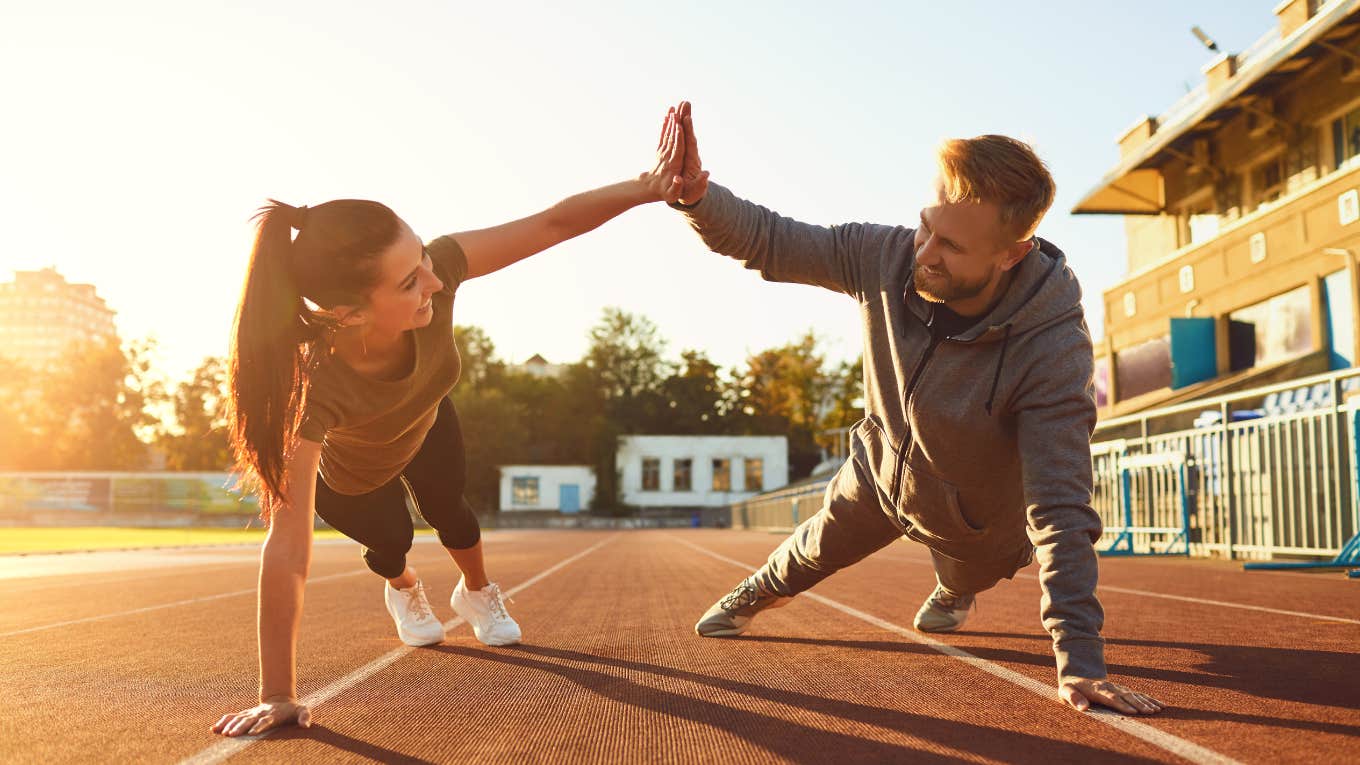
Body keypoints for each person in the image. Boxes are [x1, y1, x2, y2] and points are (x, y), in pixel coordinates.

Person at [671, 102, 1163, 716]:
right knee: (805, 553)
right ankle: (759, 590)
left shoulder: (1053, 348)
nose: (925, 253)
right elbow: (771, 240)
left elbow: (1060, 504)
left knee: (966, 576)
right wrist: (697, 197)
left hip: (978, 522)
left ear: (1012, 253)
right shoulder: (886, 257)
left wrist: (1080, 661)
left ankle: (955, 591)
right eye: (925, 227)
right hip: (881, 478)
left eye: (951, 246)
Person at [212, 107, 690, 738]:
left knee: (455, 515)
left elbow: (550, 223)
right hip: (354, 476)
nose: (435, 282)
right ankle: (405, 586)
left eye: (424, 260)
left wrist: (649, 187)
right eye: (411, 282)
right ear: (349, 315)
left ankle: (477, 592)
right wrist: (278, 693)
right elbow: (289, 544)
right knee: (391, 543)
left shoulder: (437, 272)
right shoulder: (313, 388)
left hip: (427, 420)